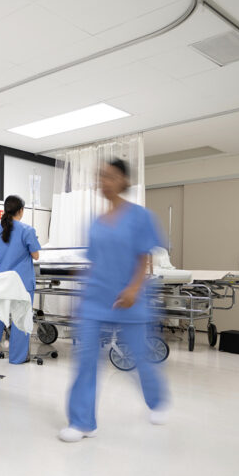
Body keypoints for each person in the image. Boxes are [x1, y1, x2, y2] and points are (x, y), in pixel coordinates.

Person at [59, 158, 169, 443]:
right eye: (100, 177)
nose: (102, 182)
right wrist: (80, 292)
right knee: (85, 361)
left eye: (109, 177)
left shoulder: (140, 216)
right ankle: (83, 422)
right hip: (96, 299)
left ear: (123, 180)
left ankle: (156, 401)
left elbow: (143, 256)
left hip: (128, 299)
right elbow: (95, 261)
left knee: (140, 357)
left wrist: (134, 288)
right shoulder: (95, 222)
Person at [0, 195, 41, 364]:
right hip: (21, 282)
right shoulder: (27, 231)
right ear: (21, 211)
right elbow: (36, 255)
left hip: (1, 281)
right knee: (20, 319)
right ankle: (17, 358)